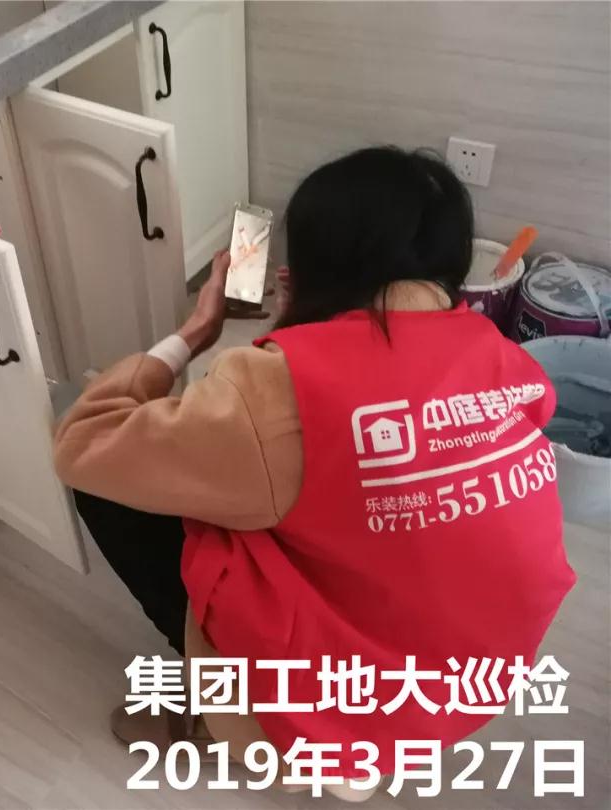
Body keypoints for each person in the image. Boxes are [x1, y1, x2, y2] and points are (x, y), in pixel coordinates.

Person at [52, 147, 576, 800]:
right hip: (475, 679)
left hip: (339, 699)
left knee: (117, 492)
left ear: (312, 265)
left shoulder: (275, 388)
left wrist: (197, 330)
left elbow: (84, 441)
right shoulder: (503, 357)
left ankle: (223, 720)